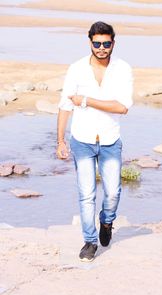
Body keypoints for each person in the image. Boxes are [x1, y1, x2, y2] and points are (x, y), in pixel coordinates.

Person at [57, 21, 133, 262]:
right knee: (86, 195)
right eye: (97, 43)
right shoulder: (76, 69)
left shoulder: (123, 69)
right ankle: (89, 241)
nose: (101, 48)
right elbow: (65, 104)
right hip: (82, 140)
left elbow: (122, 107)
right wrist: (60, 140)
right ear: (90, 42)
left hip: (110, 140)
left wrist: (86, 100)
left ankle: (107, 221)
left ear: (113, 43)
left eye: (106, 43)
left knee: (112, 193)